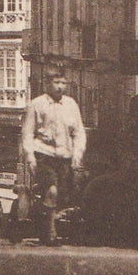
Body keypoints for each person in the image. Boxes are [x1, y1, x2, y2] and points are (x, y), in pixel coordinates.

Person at [22, 69, 86, 246]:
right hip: (43, 155)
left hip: (64, 156)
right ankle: (49, 233)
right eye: (56, 82)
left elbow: (79, 132)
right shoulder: (36, 105)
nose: (60, 87)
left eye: (63, 83)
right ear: (47, 83)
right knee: (52, 191)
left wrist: (77, 154)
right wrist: (30, 157)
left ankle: (44, 219)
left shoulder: (71, 105)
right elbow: (27, 134)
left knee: (63, 196)